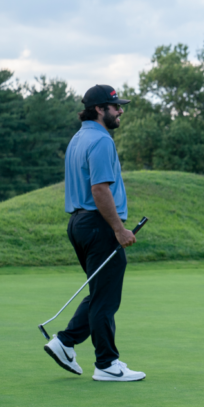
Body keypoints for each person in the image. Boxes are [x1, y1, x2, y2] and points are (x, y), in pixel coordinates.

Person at [43, 84, 145, 382]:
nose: (120, 110)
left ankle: (65, 342)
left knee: (100, 291)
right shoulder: (101, 141)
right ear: (99, 109)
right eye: (115, 106)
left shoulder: (78, 138)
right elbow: (100, 190)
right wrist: (119, 229)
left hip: (79, 222)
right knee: (106, 297)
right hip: (99, 223)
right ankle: (107, 364)